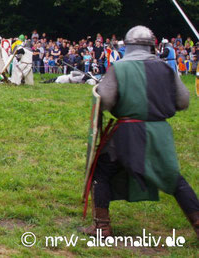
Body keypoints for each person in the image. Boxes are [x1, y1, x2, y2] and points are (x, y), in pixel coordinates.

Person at [82, 26, 198, 239]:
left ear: (128, 45)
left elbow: (105, 101)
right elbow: (183, 102)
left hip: (128, 131)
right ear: (152, 46)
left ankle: (102, 227)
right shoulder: (166, 69)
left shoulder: (120, 68)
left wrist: (100, 89)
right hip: (160, 131)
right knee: (174, 179)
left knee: (101, 171)